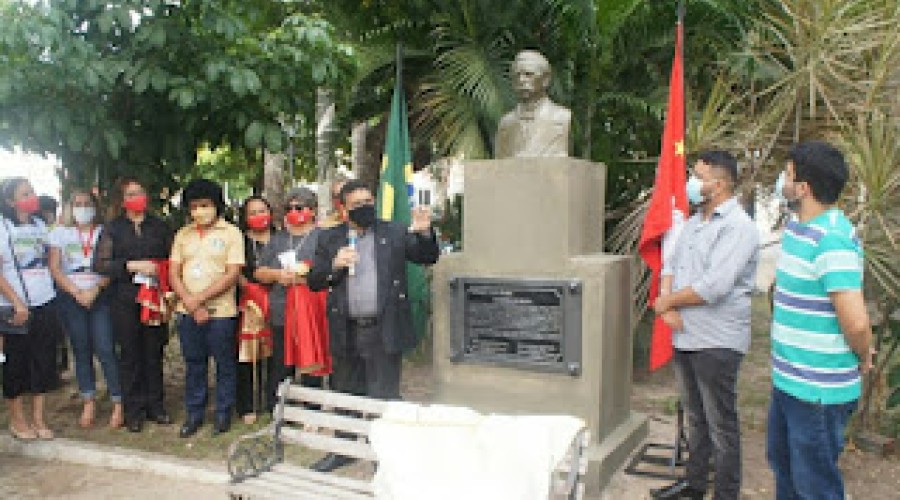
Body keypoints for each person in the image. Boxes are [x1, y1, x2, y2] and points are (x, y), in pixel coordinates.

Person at [307, 179, 440, 472]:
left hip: (383, 328)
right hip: (347, 328)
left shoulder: (392, 231)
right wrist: (334, 266)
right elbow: (314, 281)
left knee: (384, 394)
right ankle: (343, 448)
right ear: (343, 209)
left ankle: (386, 454)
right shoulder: (330, 238)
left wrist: (425, 231)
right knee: (345, 392)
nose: (366, 208)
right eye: (357, 205)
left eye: (369, 202)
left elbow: (427, 255)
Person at [650, 151, 760, 500]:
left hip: (717, 340)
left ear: (721, 182)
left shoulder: (738, 227)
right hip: (686, 334)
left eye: (699, 176)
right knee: (696, 418)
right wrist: (665, 302)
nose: (692, 183)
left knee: (720, 423)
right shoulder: (696, 222)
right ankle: (694, 485)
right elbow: (672, 263)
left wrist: (668, 302)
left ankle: (725, 493)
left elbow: (715, 286)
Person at [766, 141, 873, 500]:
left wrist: (865, 354)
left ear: (803, 188)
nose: (783, 180)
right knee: (784, 469)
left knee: (815, 486)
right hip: (789, 381)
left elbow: (856, 324)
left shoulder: (832, 241)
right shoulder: (800, 229)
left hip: (817, 392)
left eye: (789, 174)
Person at [94, 177, 174, 433]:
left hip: (155, 297)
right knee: (130, 355)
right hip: (124, 299)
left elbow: (173, 259)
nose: (136, 197)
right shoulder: (113, 228)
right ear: (122, 200)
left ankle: (156, 406)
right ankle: (134, 410)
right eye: (130, 194)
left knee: (154, 351)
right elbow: (101, 264)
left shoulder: (159, 227)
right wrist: (131, 266)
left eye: (140, 192)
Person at [169, 179, 244, 437]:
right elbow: (173, 273)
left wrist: (199, 299)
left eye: (205, 205)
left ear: (216, 205)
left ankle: (223, 414)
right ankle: (194, 414)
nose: (200, 211)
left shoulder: (231, 233)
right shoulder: (183, 234)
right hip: (186, 311)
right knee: (194, 363)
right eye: (194, 206)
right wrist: (189, 302)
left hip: (221, 312)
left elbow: (232, 273)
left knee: (224, 364)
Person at [48, 189, 123, 429]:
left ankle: (118, 401)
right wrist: (76, 292)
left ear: (95, 206)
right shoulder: (60, 233)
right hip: (72, 297)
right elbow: (55, 268)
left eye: (87, 203)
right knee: (80, 350)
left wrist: (95, 290)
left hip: (99, 295)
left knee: (106, 349)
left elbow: (111, 266)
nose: (82, 208)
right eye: (77, 204)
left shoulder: (105, 232)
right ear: (70, 207)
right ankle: (88, 399)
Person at [254, 187, 330, 409]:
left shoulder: (323, 238)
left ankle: (312, 409)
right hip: (281, 308)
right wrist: (278, 275)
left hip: (312, 310)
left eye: (299, 207)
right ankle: (277, 408)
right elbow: (259, 272)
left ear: (313, 210)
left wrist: (305, 278)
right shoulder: (278, 239)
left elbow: (330, 273)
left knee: (311, 361)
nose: (294, 212)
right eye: (289, 208)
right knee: (280, 363)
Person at [0, 177, 59, 440]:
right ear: (11, 201)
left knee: (43, 360)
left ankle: (38, 418)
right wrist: (16, 302)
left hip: (44, 301)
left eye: (32, 191)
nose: (31, 196)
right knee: (16, 363)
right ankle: (17, 419)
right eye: (25, 193)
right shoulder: (2, 228)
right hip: (15, 307)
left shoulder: (39, 225)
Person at [235, 195, 274, 425]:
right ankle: (247, 405)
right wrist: (249, 289)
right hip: (248, 301)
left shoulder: (281, 238)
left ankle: (273, 401)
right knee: (247, 353)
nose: (259, 216)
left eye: (263, 211)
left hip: (277, 299)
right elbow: (233, 267)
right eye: (253, 213)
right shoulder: (240, 240)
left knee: (275, 354)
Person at [494, 50, 571, 159]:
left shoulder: (562, 117)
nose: (521, 80)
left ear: (546, 79)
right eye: (517, 75)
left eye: (528, 74)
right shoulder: (506, 124)